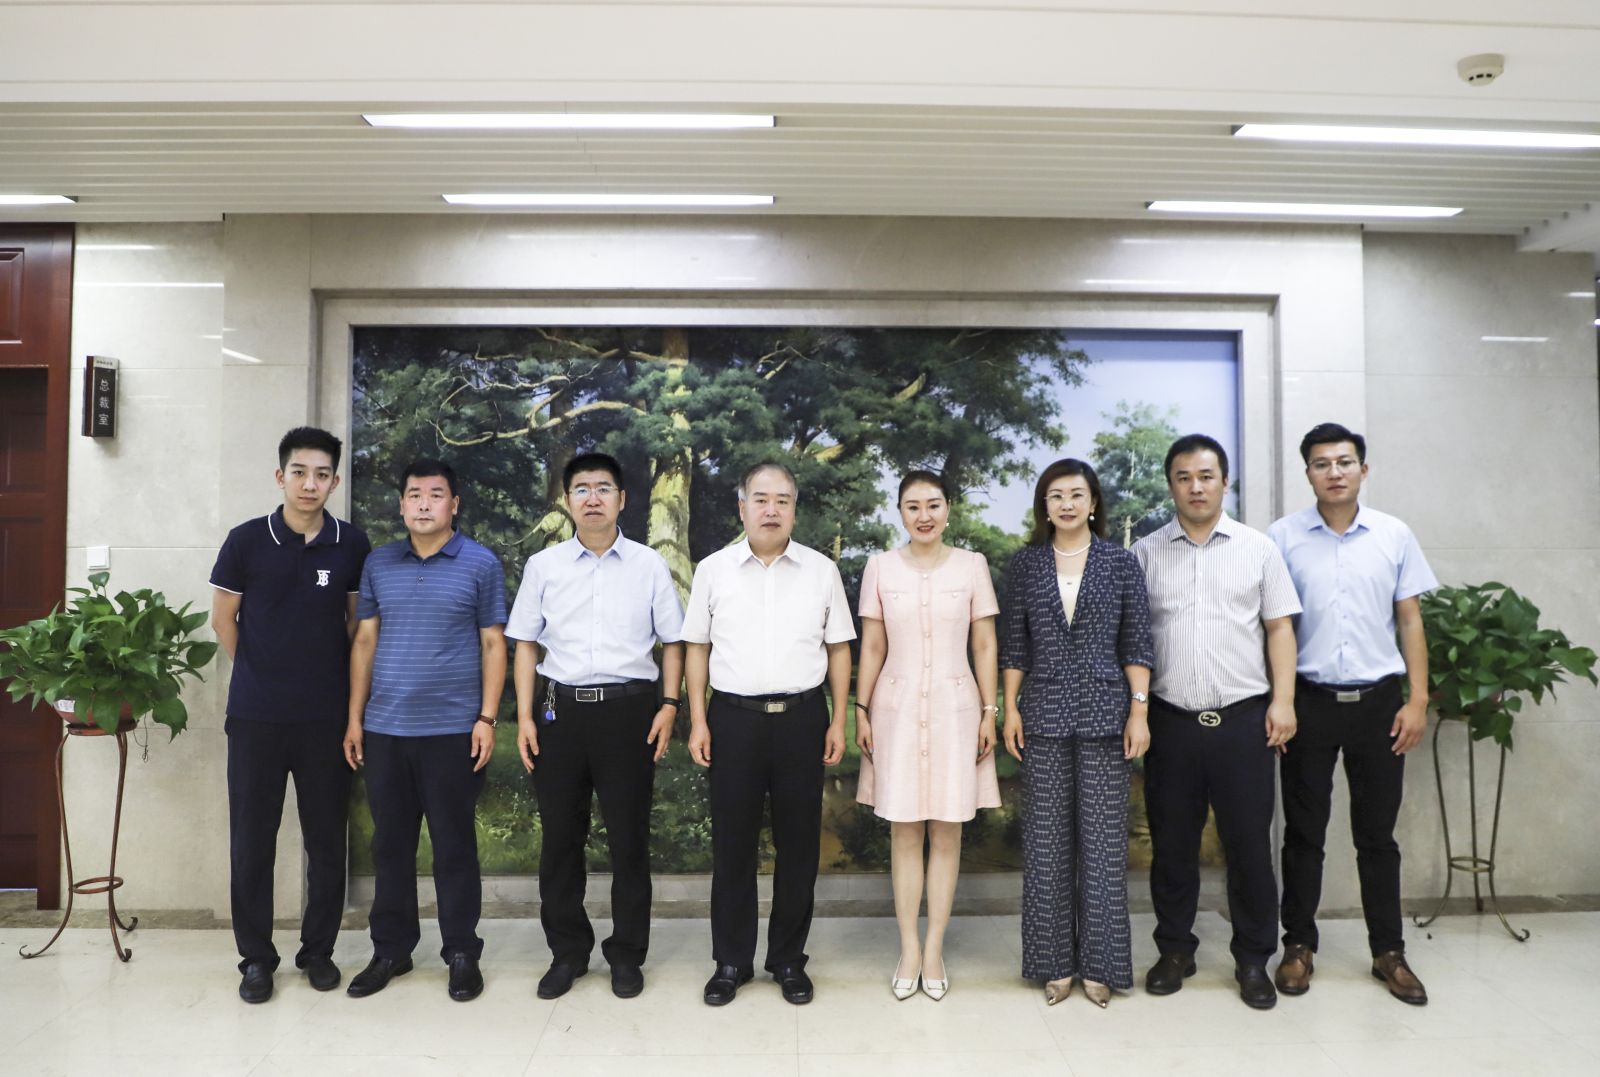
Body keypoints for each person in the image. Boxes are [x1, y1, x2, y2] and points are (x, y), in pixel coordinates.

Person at [506, 452, 686, 1001]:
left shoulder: (648, 565)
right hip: (559, 713)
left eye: (603, 488)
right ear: (567, 500)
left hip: (630, 714)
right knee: (561, 840)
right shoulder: (544, 566)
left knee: (629, 841)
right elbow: (525, 645)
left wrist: (669, 705)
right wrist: (525, 716)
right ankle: (568, 953)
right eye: (581, 489)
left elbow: (674, 642)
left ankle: (627, 954)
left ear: (622, 499)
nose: (592, 498)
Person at [1269, 422, 1436, 1005]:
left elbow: (1410, 619)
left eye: (1344, 462)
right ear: (1308, 473)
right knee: (1303, 834)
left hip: (1379, 706)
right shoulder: (1283, 537)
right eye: (1322, 464)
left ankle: (1388, 952)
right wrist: (1280, 702)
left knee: (1377, 836)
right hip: (1309, 703)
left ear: (1363, 469)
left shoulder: (1393, 535)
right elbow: (1276, 627)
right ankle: (1298, 946)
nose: (1334, 472)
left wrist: (1417, 699)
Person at [1132, 434, 1301, 1010]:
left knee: (1249, 847)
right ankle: (1175, 950)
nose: (1196, 487)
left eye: (1206, 476)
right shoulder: (1146, 553)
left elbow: (1279, 628)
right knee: (1172, 845)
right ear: (1171, 486)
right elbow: (1134, 639)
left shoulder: (1259, 549)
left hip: (1244, 721)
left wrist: (1284, 700)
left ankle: (1253, 958)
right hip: (1171, 721)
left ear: (1225, 482)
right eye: (1183, 477)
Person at [681, 461, 855, 1006]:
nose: (771, 509)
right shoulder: (714, 570)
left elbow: (839, 649)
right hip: (733, 720)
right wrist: (698, 719)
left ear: (794, 509)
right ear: (742, 507)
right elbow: (696, 648)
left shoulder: (821, 571)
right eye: (761, 499)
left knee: (799, 847)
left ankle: (787, 960)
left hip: (803, 719)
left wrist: (838, 719)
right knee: (732, 846)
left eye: (782, 500)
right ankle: (731, 961)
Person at [210, 427, 371, 1004]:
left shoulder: (351, 544)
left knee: (326, 841)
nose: (310, 484)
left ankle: (318, 951)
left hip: (325, 719)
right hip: (256, 718)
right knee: (252, 841)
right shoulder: (246, 540)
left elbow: (355, 625)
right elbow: (223, 619)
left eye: (322, 474)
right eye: (299, 472)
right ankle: (256, 958)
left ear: (334, 481)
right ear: (281, 476)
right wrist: (261, 670)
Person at [343, 459, 507, 1002]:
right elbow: (365, 641)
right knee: (390, 845)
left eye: (436, 495)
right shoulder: (379, 563)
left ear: (453, 504)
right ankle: (391, 950)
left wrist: (487, 718)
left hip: (453, 731)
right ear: (401, 504)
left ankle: (461, 951)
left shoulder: (480, 563)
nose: (423, 504)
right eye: (414, 494)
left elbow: (493, 644)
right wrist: (355, 718)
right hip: (386, 729)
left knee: (454, 845)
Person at [1000, 458, 1154, 1008]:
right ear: (1044, 506)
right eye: (1055, 495)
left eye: (1076, 494)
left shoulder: (1120, 563)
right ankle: (1053, 964)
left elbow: (1136, 642)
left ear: (1093, 503)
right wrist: (1009, 708)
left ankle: (1101, 965)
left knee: (1104, 848)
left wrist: (1138, 711)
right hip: (1042, 715)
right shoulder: (1026, 564)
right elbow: (1014, 645)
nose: (1066, 504)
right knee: (1046, 846)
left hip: (1105, 716)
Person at [854, 470, 1000, 1002]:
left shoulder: (972, 565)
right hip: (894, 710)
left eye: (933, 505)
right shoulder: (880, 567)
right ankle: (909, 948)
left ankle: (935, 946)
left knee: (946, 832)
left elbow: (984, 644)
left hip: (955, 709)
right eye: (913, 506)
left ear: (948, 508)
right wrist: (861, 710)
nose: (924, 516)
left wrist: (989, 711)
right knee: (904, 831)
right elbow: (873, 646)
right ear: (899, 512)